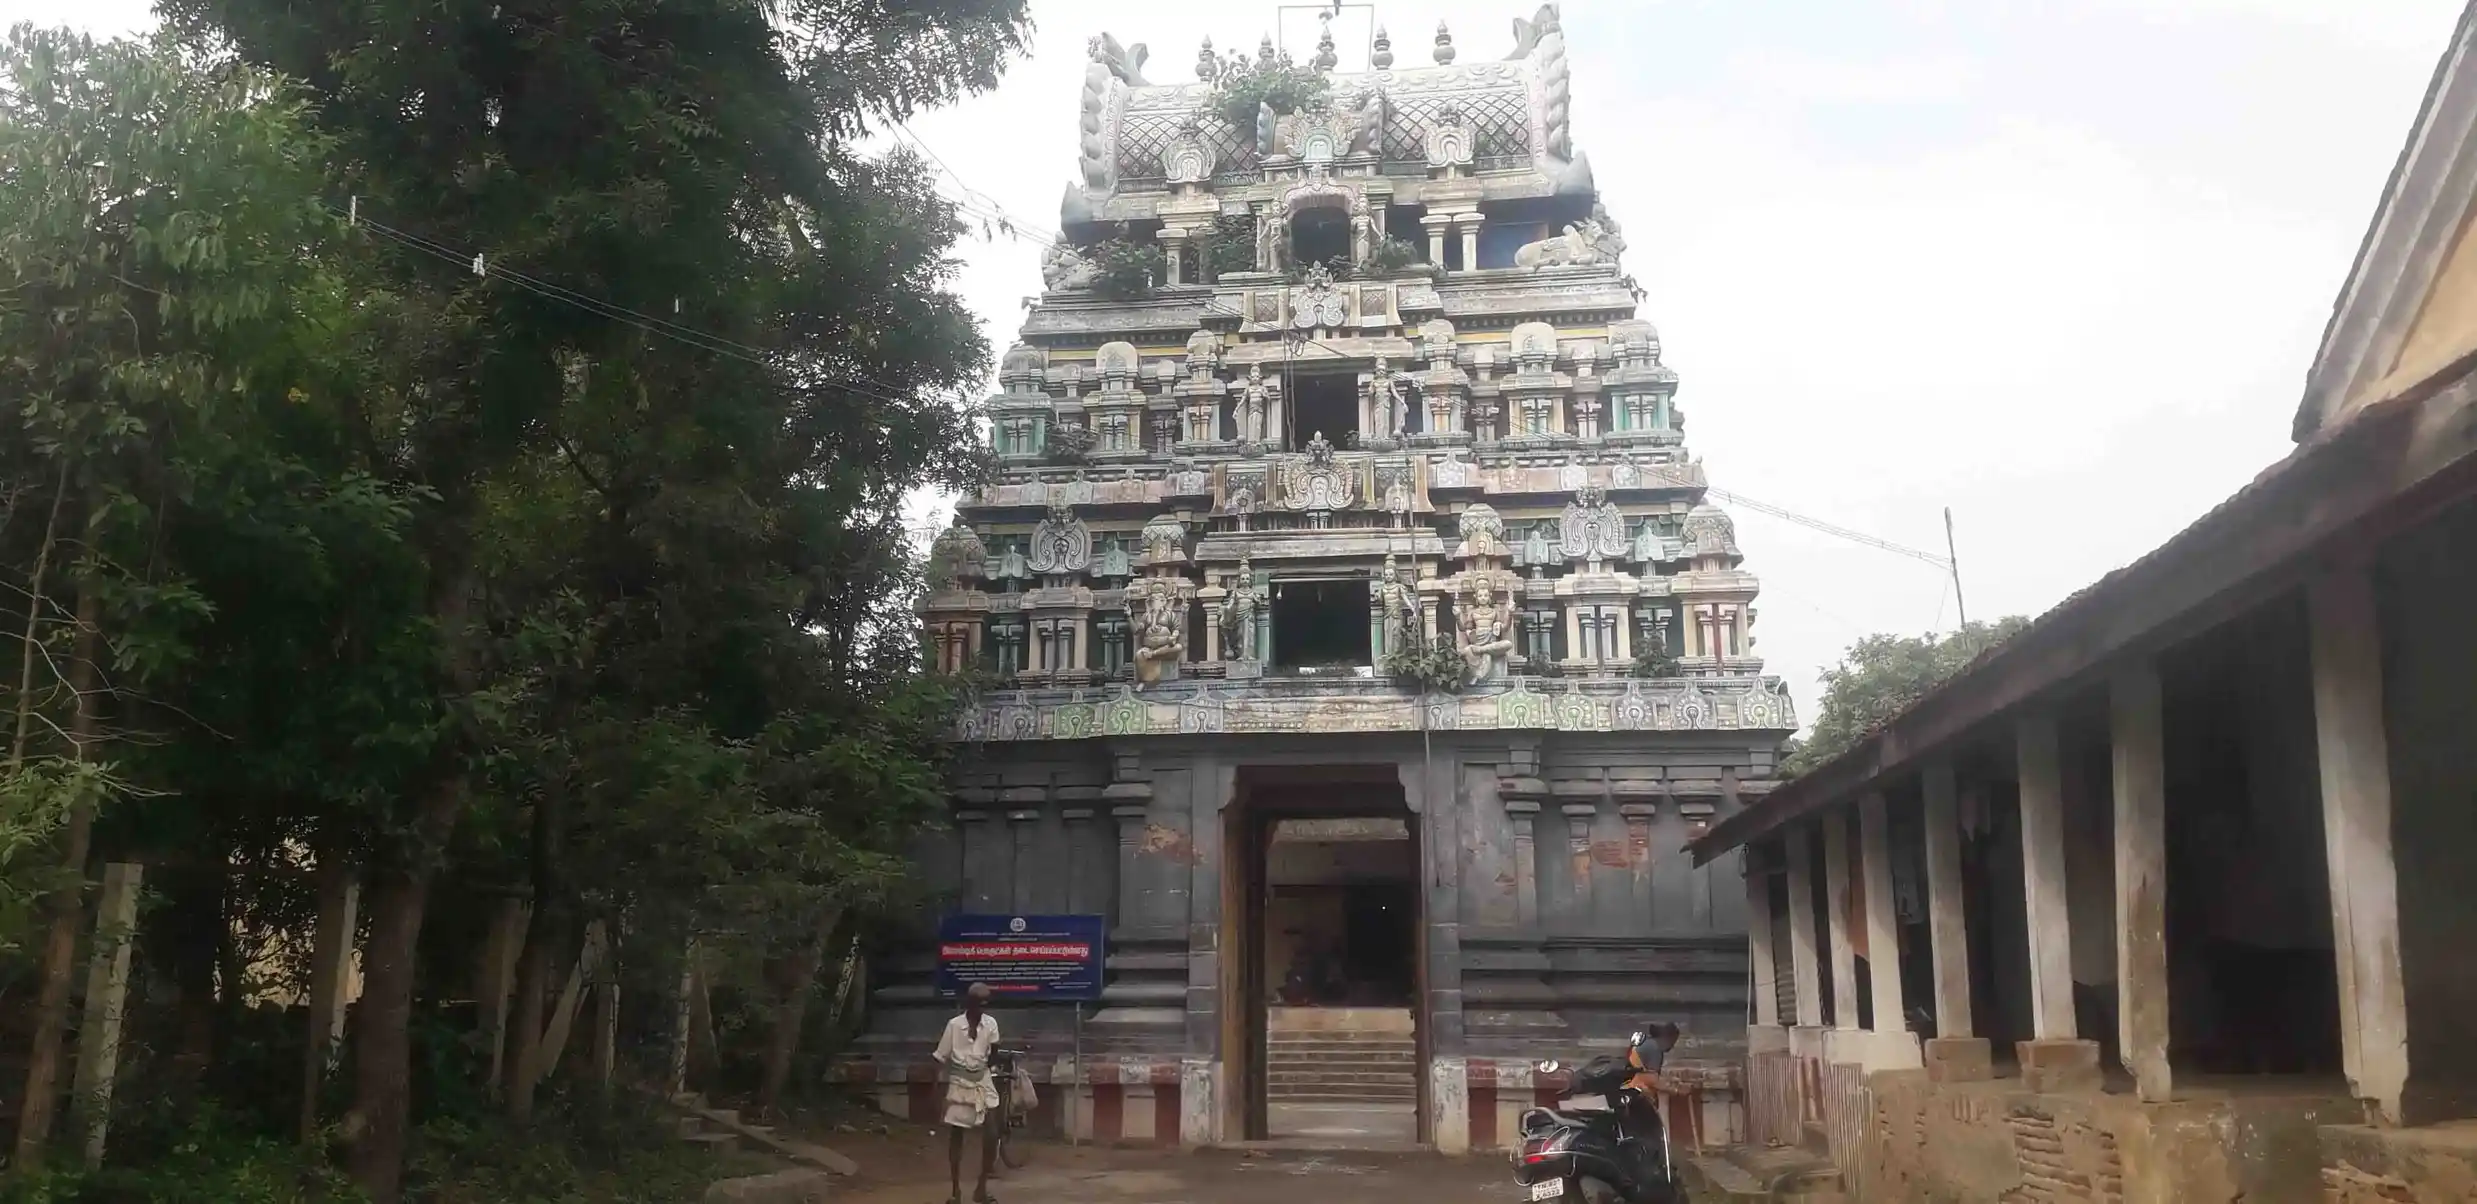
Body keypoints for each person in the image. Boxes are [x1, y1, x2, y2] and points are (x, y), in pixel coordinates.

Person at [935, 982, 1003, 1204]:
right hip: (959, 1083)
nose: (980, 1010)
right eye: (977, 1005)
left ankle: (981, 1188)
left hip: (982, 1083)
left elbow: (994, 1054)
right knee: (957, 1135)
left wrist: (993, 1061)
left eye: (984, 1005)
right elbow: (940, 1056)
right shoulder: (954, 1025)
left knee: (992, 1134)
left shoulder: (990, 1024)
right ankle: (955, 1191)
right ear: (969, 1004)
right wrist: (937, 1089)